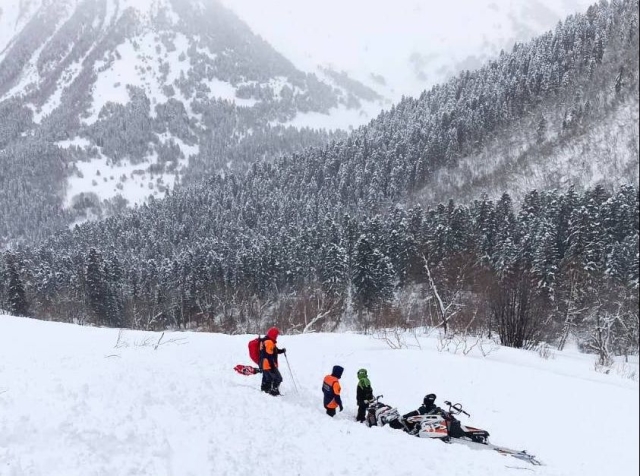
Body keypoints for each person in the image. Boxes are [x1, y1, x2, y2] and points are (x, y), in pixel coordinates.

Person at [259, 327, 286, 396]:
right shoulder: (269, 342)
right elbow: (269, 355)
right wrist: (273, 367)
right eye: (276, 335)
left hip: (263, 364)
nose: (277, 336)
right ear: (273, 335)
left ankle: (265, 391)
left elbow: (274, 351)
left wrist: (282, 351)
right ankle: (274, 392)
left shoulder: (265, 340)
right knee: (278, 378)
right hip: (268, 365)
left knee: (267, 379)